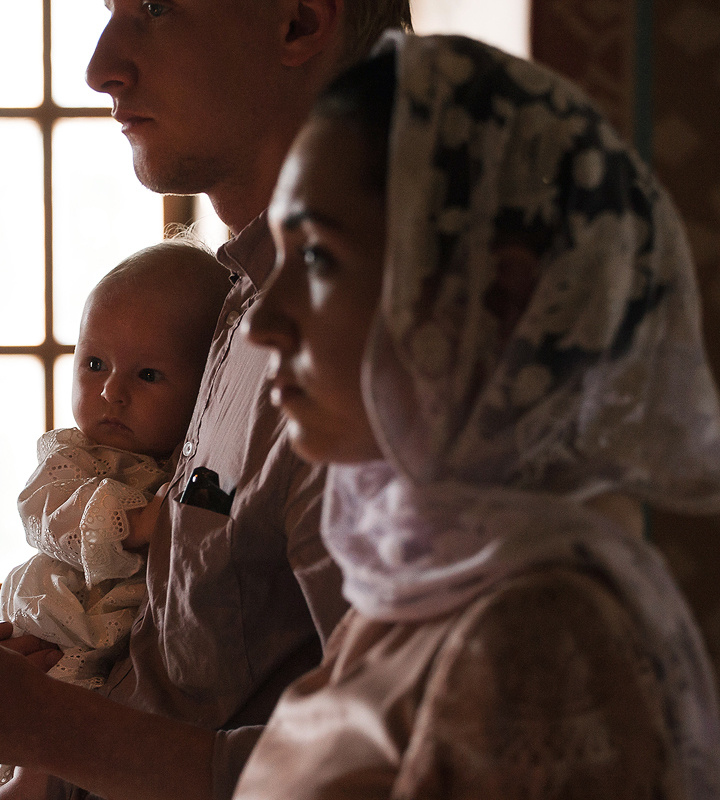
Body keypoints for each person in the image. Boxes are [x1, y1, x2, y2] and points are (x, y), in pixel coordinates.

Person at [0, 3, 411, 799]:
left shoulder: (383, 339)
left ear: (296, 21)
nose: (99, 66)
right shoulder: (242, 303)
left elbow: (394, 767)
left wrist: (42, 725)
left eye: (152, 7)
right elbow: (199, 669)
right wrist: (60, 682)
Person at [236, 32, 720, 797]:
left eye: (320, 257)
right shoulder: (413, 584)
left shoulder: (538, 636)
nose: (265, 320)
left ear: (498, 296)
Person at [0, 241, 232, 799]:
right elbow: (42, 511)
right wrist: (133, 522)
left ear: (206, 386)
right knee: (51, 716)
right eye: (94, 364)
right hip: (62, 617)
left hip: (128, 659)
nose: (112, 391)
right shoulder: (73, 456)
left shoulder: (194, 465)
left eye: (149, 375)